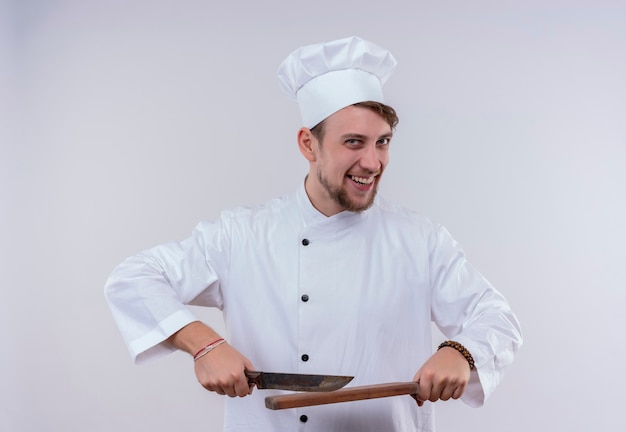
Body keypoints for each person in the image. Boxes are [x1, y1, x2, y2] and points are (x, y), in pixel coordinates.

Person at [104, 36, 522, 432]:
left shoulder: (421, 240)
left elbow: (496, 317)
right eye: (354, 142)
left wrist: (461, 353)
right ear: (308, 144)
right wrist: (204, 344)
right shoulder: (241, 234)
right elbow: (134, 277)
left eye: (383, 142)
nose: (373, 162)